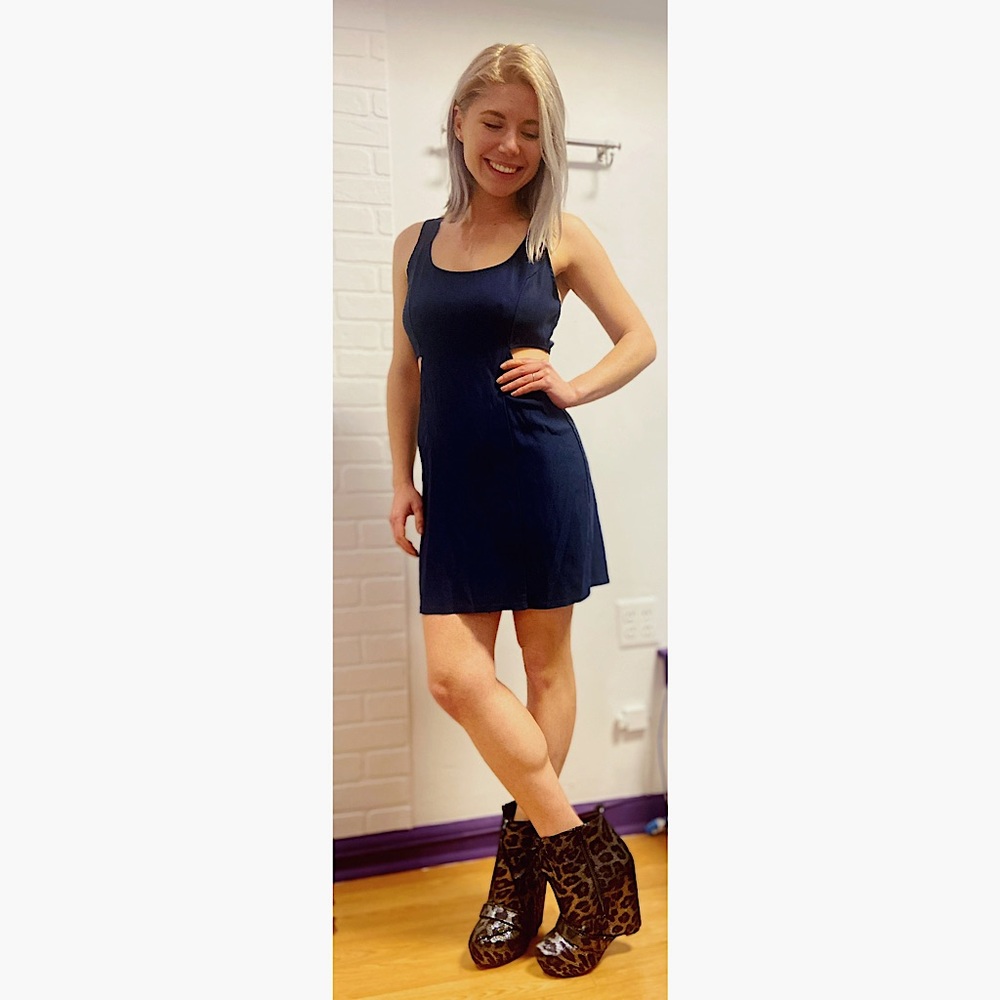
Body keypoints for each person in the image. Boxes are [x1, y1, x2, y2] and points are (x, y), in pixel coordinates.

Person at [386, 42, 657, 979]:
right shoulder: (412, 245)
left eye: (532, 131)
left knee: (545, 669)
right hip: (455, 489)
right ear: (459, 122)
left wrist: (572, 385)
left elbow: (639, 339)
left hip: (538, 474)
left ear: (549, 143)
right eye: (494, 122)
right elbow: (406, 370)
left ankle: (519, 882)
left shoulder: (561, 238)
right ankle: (586, 860)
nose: (510, 145)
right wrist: (401, 477)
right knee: (457, 679)